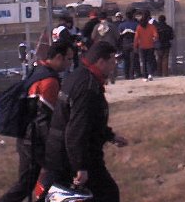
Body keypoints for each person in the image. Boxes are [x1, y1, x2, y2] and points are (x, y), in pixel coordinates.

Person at [43, 41, 128, 202]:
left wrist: (109, 135)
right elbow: (76, 131)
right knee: (107, 194)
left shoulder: (80, 75)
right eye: (111, 63)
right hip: (70, 156)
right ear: (101, 62)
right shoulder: (87, 88)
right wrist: (80, 166)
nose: (113, 67)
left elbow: (91, 121)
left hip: (63, 152)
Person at [0, 41, 74, 202]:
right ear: (59, 58)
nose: (70, 63)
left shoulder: (39, 70)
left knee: (26, 183)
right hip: (35, 141)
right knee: (60, 174)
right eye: (69, 59)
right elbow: (46, 119)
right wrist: (55, 146)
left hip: (25, 137)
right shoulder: (50, 82)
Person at [91, 12, 120, 84]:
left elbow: (92, 37)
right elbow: (117, 36)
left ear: (99, 18)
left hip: (100, 47)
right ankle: (112, 77)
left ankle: (103, 79)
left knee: (101, 63)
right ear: (106, 17)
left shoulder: (97, 26)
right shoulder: (112, 26)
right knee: (111, 62)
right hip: (110, 46)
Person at [134, 11, 158, 81]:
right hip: (150, 46)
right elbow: (156, 35)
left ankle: (145, 76)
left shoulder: (139, 27)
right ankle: (150, 74)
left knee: (143, 61)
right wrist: (154, 40)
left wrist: (135, 46)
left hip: (142, 46)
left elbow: (136, 38)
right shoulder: (151, 26)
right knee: (149, 61)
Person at [117, 10, 138, 80]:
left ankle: (126, 75)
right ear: (132, 16)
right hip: (133, 43)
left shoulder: (121, 25)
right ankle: (131, 75)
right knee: (132, 60)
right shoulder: (136, 24)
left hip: (125, 44)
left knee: (126, 60)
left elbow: (119, 36)